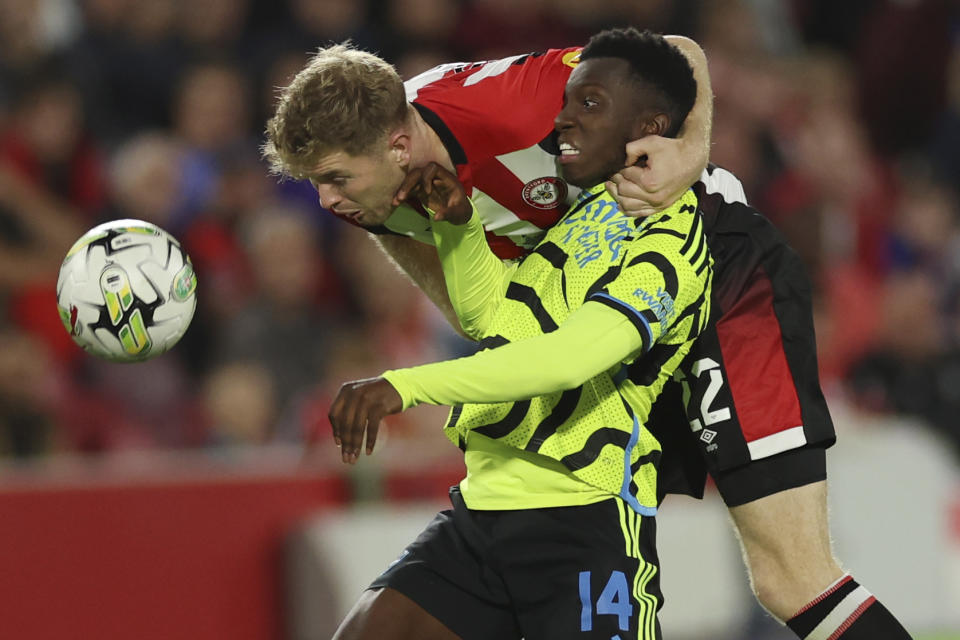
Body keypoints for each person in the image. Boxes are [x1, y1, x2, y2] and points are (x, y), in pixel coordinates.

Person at [264, 32, 911, 640]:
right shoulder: (382, 197)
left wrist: (688, 153)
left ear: (398, 145)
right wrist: (459, 229)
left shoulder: (513, 106)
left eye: (336, 179)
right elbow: (494, 324)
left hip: (722, 291)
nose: (326, 204)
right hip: (586, 300)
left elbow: (674, 56)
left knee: (790, 577)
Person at [327, 28, 710, 639]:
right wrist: (459, 228)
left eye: (590, 105)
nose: (562, 121)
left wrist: (407, 387)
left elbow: (566, 359)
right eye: (568, 103)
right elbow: (497, 321)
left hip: (585, 514)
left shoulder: (676, 240)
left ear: (651, 127)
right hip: (486, 507)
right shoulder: (581, 214)